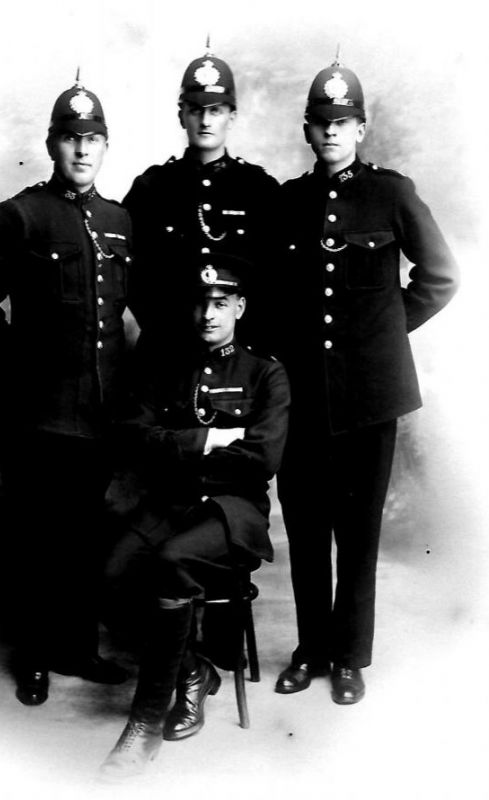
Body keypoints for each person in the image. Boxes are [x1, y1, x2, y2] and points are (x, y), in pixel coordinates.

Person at [273, 53, 459, 704]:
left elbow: (440, 277)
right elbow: (269, 300)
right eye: (320, 121)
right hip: (300, 397)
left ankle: (348, 657)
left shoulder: (392, 194)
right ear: (306, 128)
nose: (331, 132)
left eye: (343, 121)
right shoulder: (287, 203)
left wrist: (381, 335)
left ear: (362, 127)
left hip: (368, 398)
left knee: (357, 530)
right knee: (304, 527)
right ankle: (309, 648)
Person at [0, 71, 133, 705]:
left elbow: (119, 321)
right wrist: (18, 372)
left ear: (106, 147)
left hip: (98, 419)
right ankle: (33, 657)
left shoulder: (118, 222)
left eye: (94, 139)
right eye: (71, 138)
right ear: (52, 144)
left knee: (84, 538)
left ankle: (78, 649)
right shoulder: (20, 216)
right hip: (35, 418)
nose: (83, 151)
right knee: (35, 542)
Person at [99, 255, 290, 779]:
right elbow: (137, 439)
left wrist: (178, 446)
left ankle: (141, 729)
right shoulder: (164, 369)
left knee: (171, 561)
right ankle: (192, 670)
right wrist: (211, 438)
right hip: (172, 503)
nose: (209, 314)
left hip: (233, 512)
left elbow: (263, 457)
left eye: (221, 304)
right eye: (202, 303)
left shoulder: (266, 372)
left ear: (240, 308)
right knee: (110, 574)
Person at [123, 40, 279, 357]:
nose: (205, 121)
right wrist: (161, 328)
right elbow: (130, 275)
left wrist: (249, 347)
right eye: (195, 110)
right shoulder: (152, 188)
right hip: (169, 350)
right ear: (182, 116)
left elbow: (276, 277)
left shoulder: (259, 189)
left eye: (216, 111)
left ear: (231, 117)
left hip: (243, 354)